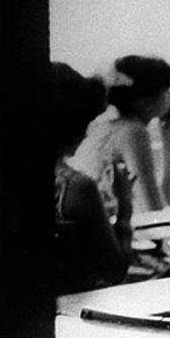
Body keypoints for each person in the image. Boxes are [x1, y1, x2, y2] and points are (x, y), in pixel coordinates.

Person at [53, 61, 134, 293]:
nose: (87, 132)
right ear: (71, 125)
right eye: (86, 122)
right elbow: (115, 272)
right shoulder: (77, 187)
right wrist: (125, 208)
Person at [70, 55, 170, 213]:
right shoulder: (133, 132)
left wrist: (167, 132)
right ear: (147, 102)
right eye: (167, 89)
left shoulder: (110, 126)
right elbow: (155, 212)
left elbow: (168, 206)